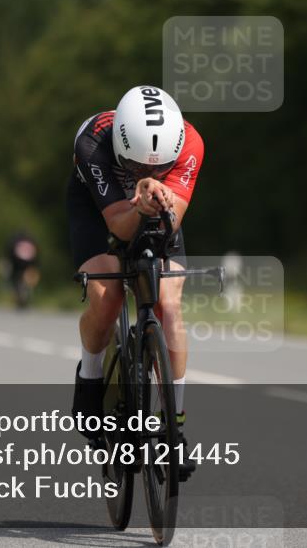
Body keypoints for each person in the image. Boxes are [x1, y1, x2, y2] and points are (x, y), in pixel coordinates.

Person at [67, 85, 204, 474]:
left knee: (169, 306)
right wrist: (138, 197)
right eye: (139, 168)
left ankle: (174, 429)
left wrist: (153, 199)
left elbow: (169, 221)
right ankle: (90, 378)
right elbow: (119, 228)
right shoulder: (94, 141)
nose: (149, 174)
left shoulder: (191, 142)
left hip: (159, 208)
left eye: (160, 168)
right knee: (107, 292)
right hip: (98, 210)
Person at [5, 230, 40, 308]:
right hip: (29, 263)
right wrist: (35, 265)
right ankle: (27, 295)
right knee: (29, 281)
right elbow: (36, 252)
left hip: (16, 263)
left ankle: (17, 294)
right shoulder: (31, 240)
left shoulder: (14, 241)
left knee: (13, 278)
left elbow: (9, 252)